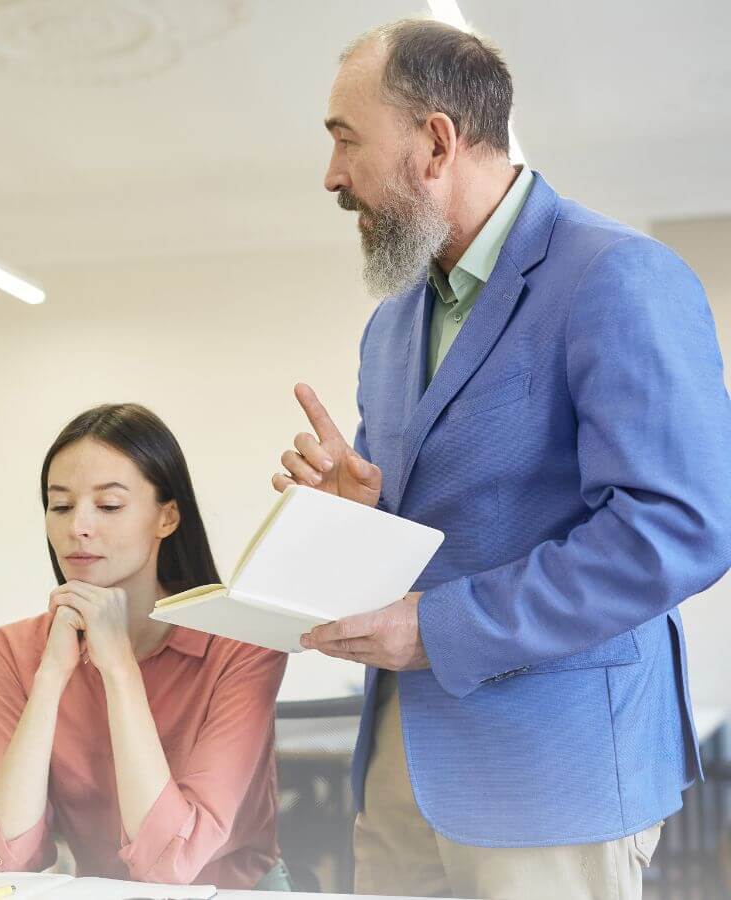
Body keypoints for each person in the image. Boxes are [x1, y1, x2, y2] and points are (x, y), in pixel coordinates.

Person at [271, 19, 731, 899]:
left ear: (435, 142)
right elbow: (436, 532)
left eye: (345, 141)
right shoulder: (392, 323)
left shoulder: (618, 276)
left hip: (552, 776)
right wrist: (358, 520)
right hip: (402, 765)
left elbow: (679, 530)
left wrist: (438, 629)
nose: (332, 177)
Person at [0, 404, 291, 890]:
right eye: (61, 505)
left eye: (109, 506)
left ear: (167, 516)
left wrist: (118, 668)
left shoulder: (243, 646)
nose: (78, 528)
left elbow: (172, 864)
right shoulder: (15, 650)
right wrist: (49, 679)